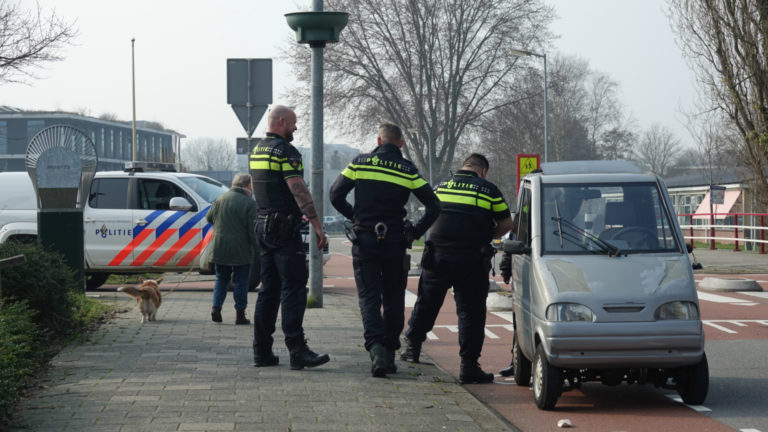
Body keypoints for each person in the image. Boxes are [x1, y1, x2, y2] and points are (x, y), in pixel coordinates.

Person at [329, 122, 440, 378]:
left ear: (378, 142)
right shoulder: (407, 169)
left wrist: (357, 218)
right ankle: (390, 353)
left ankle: (376, 349)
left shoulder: (359, 162)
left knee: (369, 298)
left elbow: (335, 195)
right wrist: (414, 232)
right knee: (393, 298)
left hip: (365, 238)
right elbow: (434, 206)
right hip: (395, 241)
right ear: (400, 143)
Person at [401, 153, 514, 384]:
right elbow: (506, 223)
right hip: (471, 259)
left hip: (437, 256)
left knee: (427, 302)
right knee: (471, 312)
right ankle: (468, 367)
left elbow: (430, 213)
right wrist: (487, 236)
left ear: (464, 167)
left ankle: (412, 348)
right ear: (483, 171)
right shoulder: (489, 189)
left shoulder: (440, 186)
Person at [249, 105, 330, 370]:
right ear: (282, 122)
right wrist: (317, 225)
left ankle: (262, 352)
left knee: (268, 291)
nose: (296, 128)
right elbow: (298, 190)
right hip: (284, 229)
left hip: (262, 225)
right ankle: (298, 351)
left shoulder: (257, 150)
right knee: (294, 289)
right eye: (293, 123)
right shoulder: (286, 152)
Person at [206, 173, 260, 325]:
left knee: (221, 279)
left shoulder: (220, 199)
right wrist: (258, 250)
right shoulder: (250, 204)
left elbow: (209, 218)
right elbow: (252, 231)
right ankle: (240, 315)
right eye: (252, 185)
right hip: (241, 250)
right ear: (247, 185)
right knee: (241, 282)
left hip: (220, 247)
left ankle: (216, 308)